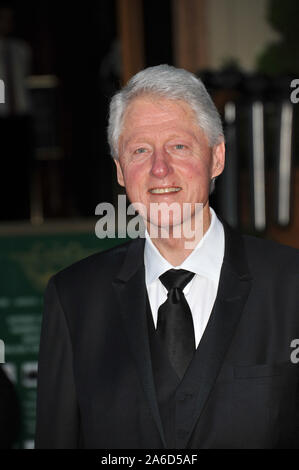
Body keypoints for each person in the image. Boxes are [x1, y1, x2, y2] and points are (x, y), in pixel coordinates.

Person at [35, 65, 299, 449]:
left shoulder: (291, 286)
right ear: (121, 171)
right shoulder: (73, 300)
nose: (160, 168)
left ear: (217, 158)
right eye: (140, 150)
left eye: (179, 146)